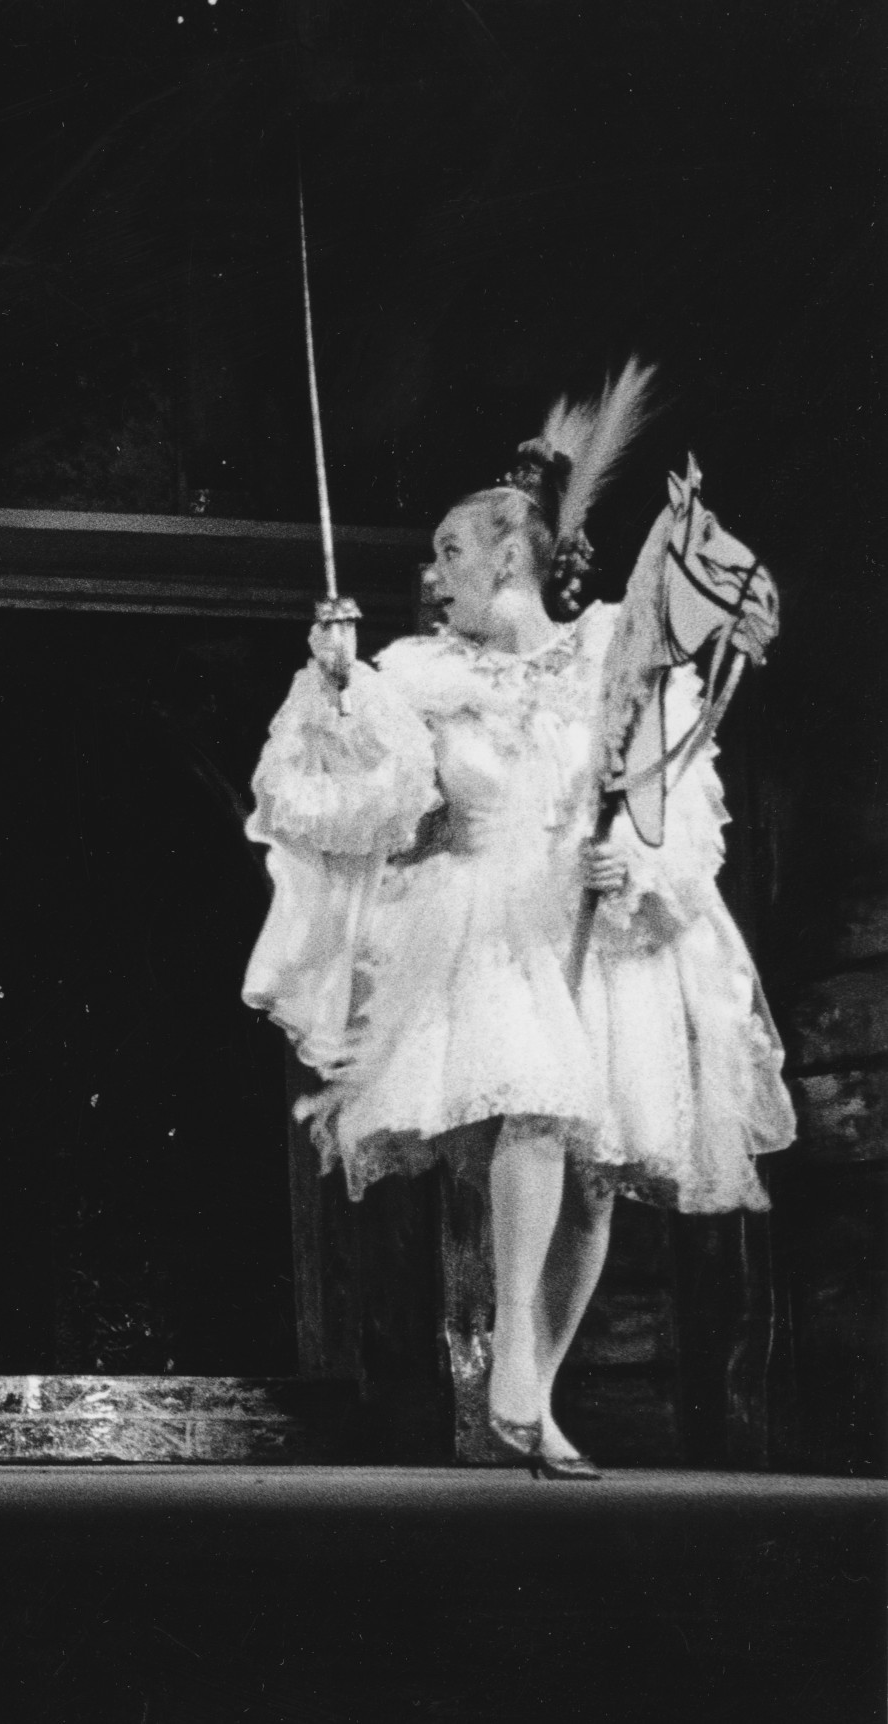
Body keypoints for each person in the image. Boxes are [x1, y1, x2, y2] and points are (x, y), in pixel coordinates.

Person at [242, 369, 795, 1479]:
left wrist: (633, 863)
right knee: (535, 1105)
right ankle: (506, 1368)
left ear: (509, 556)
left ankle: (533, 1393)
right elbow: (355, 806)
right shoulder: (416, 677)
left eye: (450, 550)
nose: (432, 571)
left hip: (594, 928)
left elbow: (676, 802)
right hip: (485, 922)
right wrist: (335, 692)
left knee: (590, 1178)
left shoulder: (613, 654)